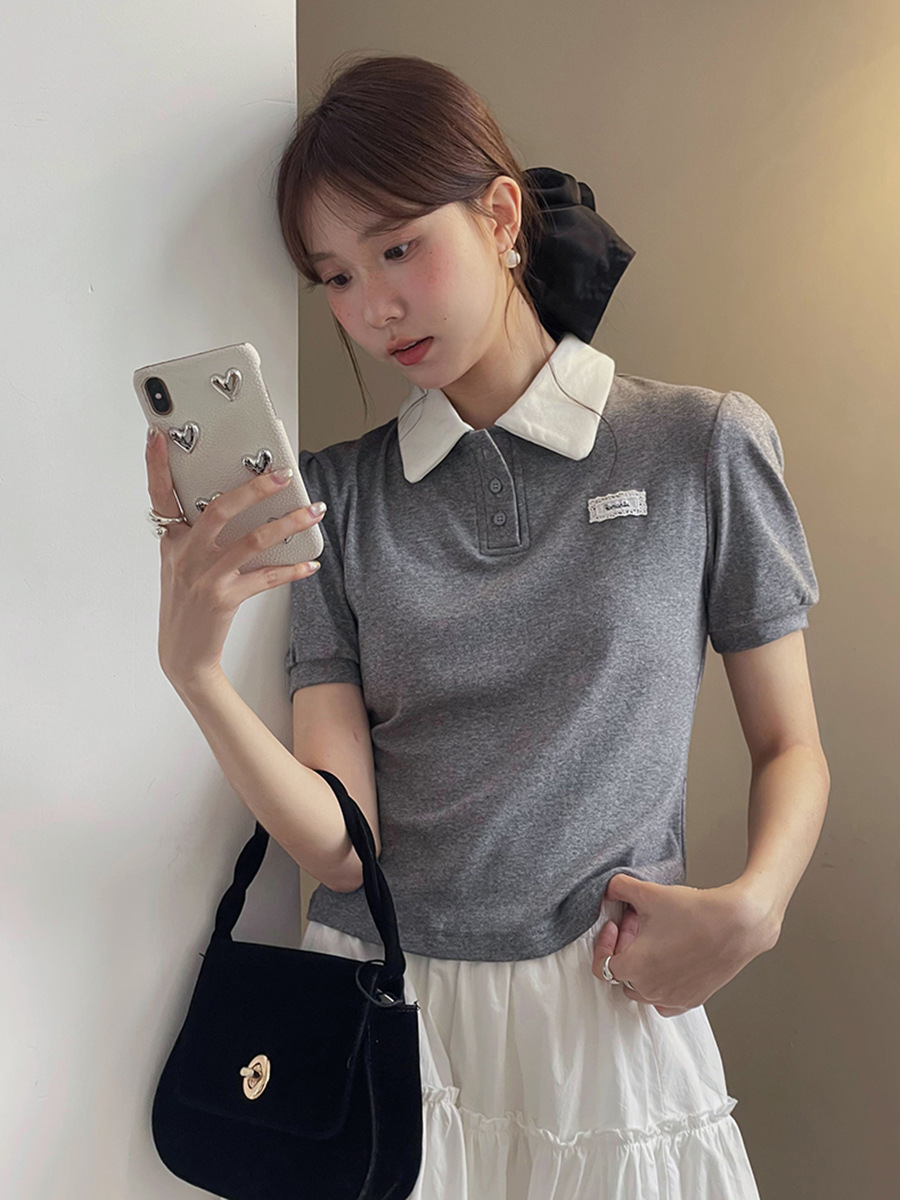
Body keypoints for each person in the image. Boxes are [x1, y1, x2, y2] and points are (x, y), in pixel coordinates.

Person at [145, 52, 830, 1200]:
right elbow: (342, 843)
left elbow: (791, 744)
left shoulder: (700, 445)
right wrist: (196, 674)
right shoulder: (337, 499)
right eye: (335, 276)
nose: (373, 308)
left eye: (398, 248)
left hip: (604, 1014)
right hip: (388, 1020)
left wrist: (753, 908)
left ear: (502, 216)